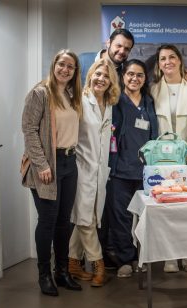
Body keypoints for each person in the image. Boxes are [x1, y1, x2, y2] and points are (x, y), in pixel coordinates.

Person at [21, 49, 83, 296]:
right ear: (54, 64)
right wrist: (42, 165)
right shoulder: (40, 93)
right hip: (47, 165)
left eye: (70, 67)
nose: (65, 69)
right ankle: (44, 275)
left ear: (75, 72)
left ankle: (63, 272)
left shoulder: (70, 94)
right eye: (62, 64)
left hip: (70, 163)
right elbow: (29, 130)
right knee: (47, 221)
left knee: (64, 222)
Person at [150, 44, 187, 273]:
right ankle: (170, 256)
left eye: (172, 57)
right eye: (163, 58)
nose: (168, 62)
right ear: (159, 64)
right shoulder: (152, 89)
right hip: (163, 160)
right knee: (167, 210)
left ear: (180, 61)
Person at [67, 58, 120, 287]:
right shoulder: (79, 99)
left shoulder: (108, 104)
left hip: (99, 171)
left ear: (111, 82)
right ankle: (97, 263)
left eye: (106, 76)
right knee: (86, 219)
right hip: (80, 168)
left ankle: (72, 263)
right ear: (90, 75)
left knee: (85, 217)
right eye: (98, 74)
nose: (101, 79)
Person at [106, 59, 159, 278]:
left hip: (145, 171)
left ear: (145, 79)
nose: (134, 79)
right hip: (120, 170)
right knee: (121, 217)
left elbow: (152, 134)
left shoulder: (148, 101)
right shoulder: (114, 100)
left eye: (139, 75)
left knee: (146, 217)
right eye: (130, 74)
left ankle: (143, 257)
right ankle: (125, 260)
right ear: (123, 76)